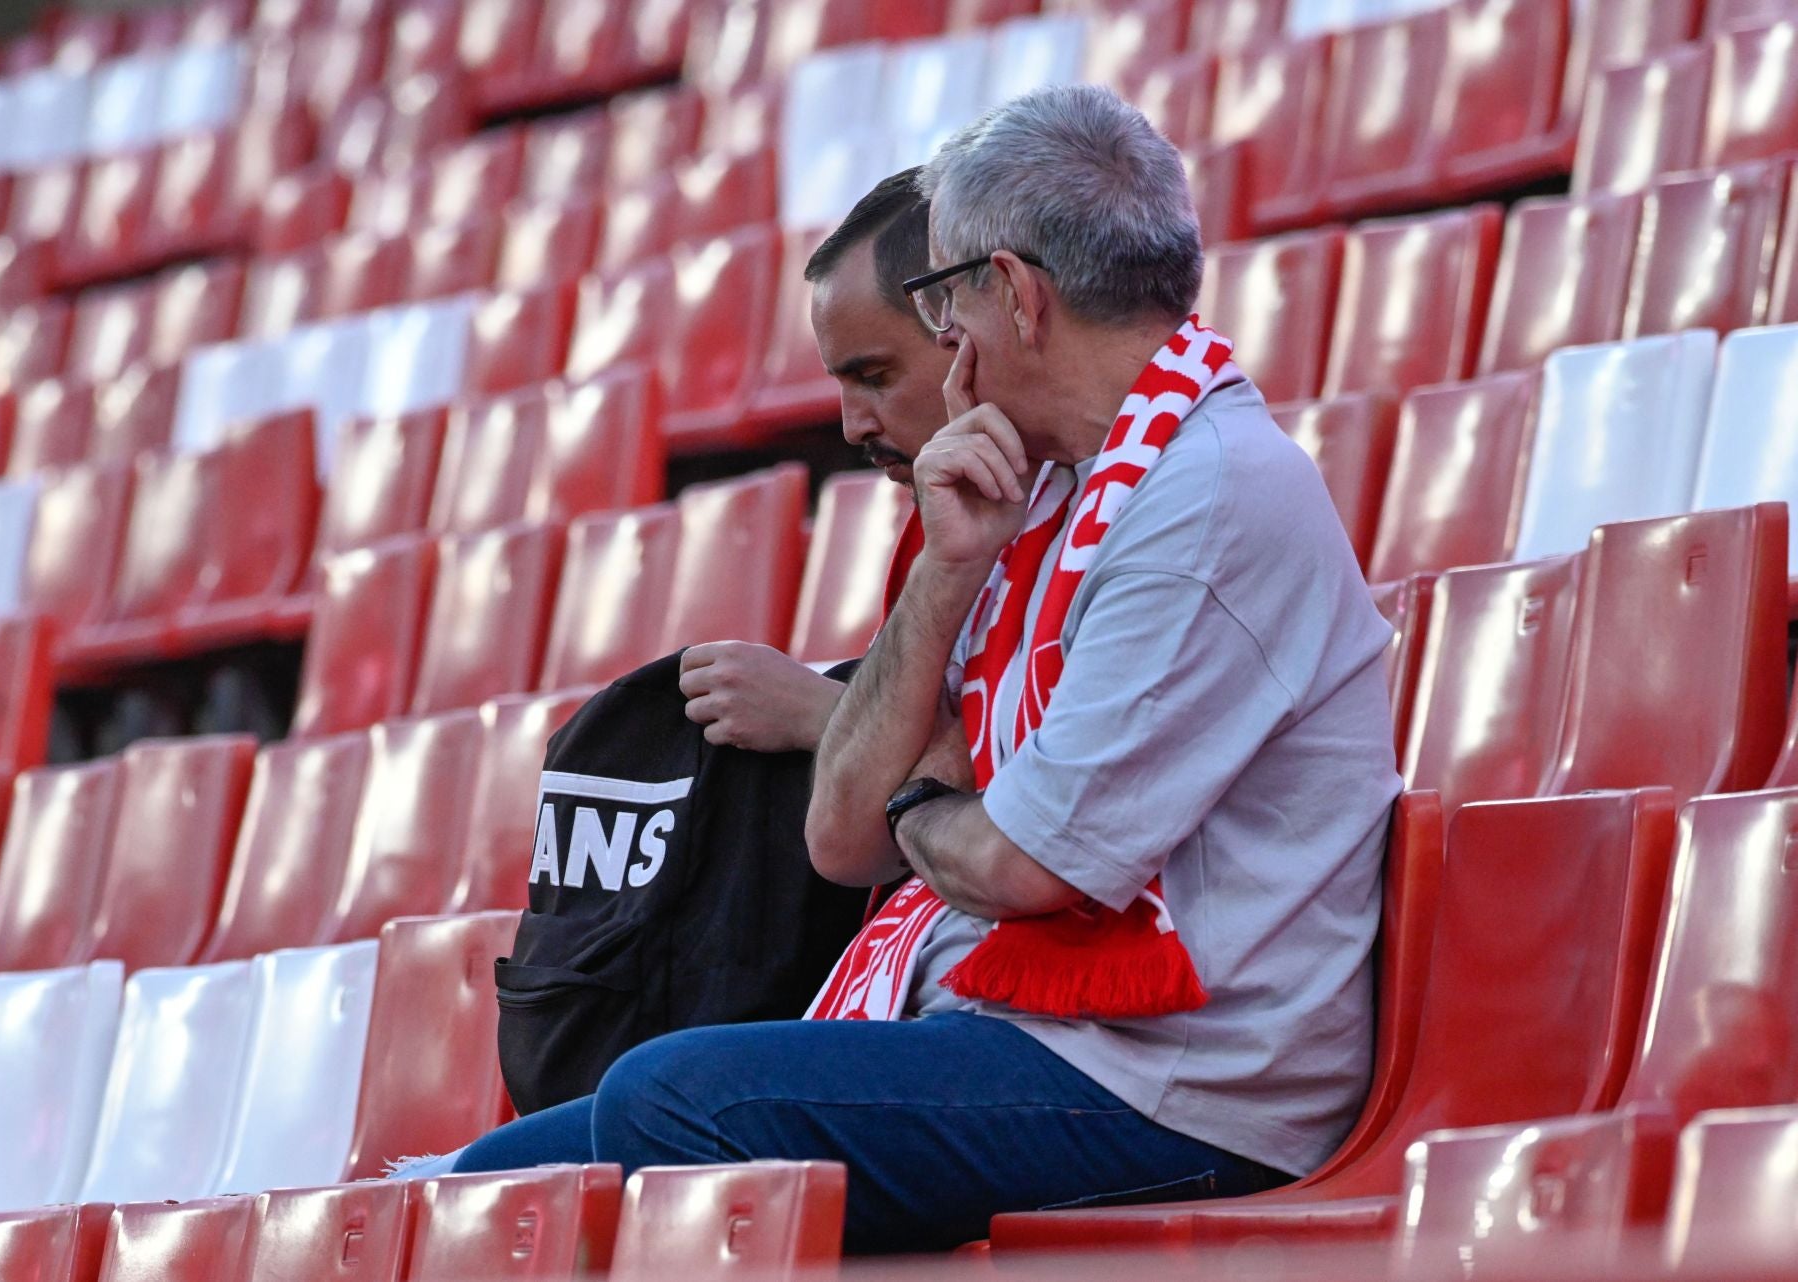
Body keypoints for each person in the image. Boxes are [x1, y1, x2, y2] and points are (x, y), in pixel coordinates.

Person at [436, 86, 1400, 1256]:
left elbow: (1019, 861)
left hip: (1183, 1084)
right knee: (488, 1185)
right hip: (1019, 1027)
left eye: (943, 298)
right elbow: (841, 838)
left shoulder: (1210, 495)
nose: (941, 339)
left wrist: (923, 791)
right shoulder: (1031, 484)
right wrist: (948, 572)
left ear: (1019, 296)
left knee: (673, 1102)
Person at [673, 166, 950, 755]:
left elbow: (1044, 804)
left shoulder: (1123, 509)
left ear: (970, 327)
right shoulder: (941, 524)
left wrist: (825, 715)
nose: (854, 427)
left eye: (876, 377)